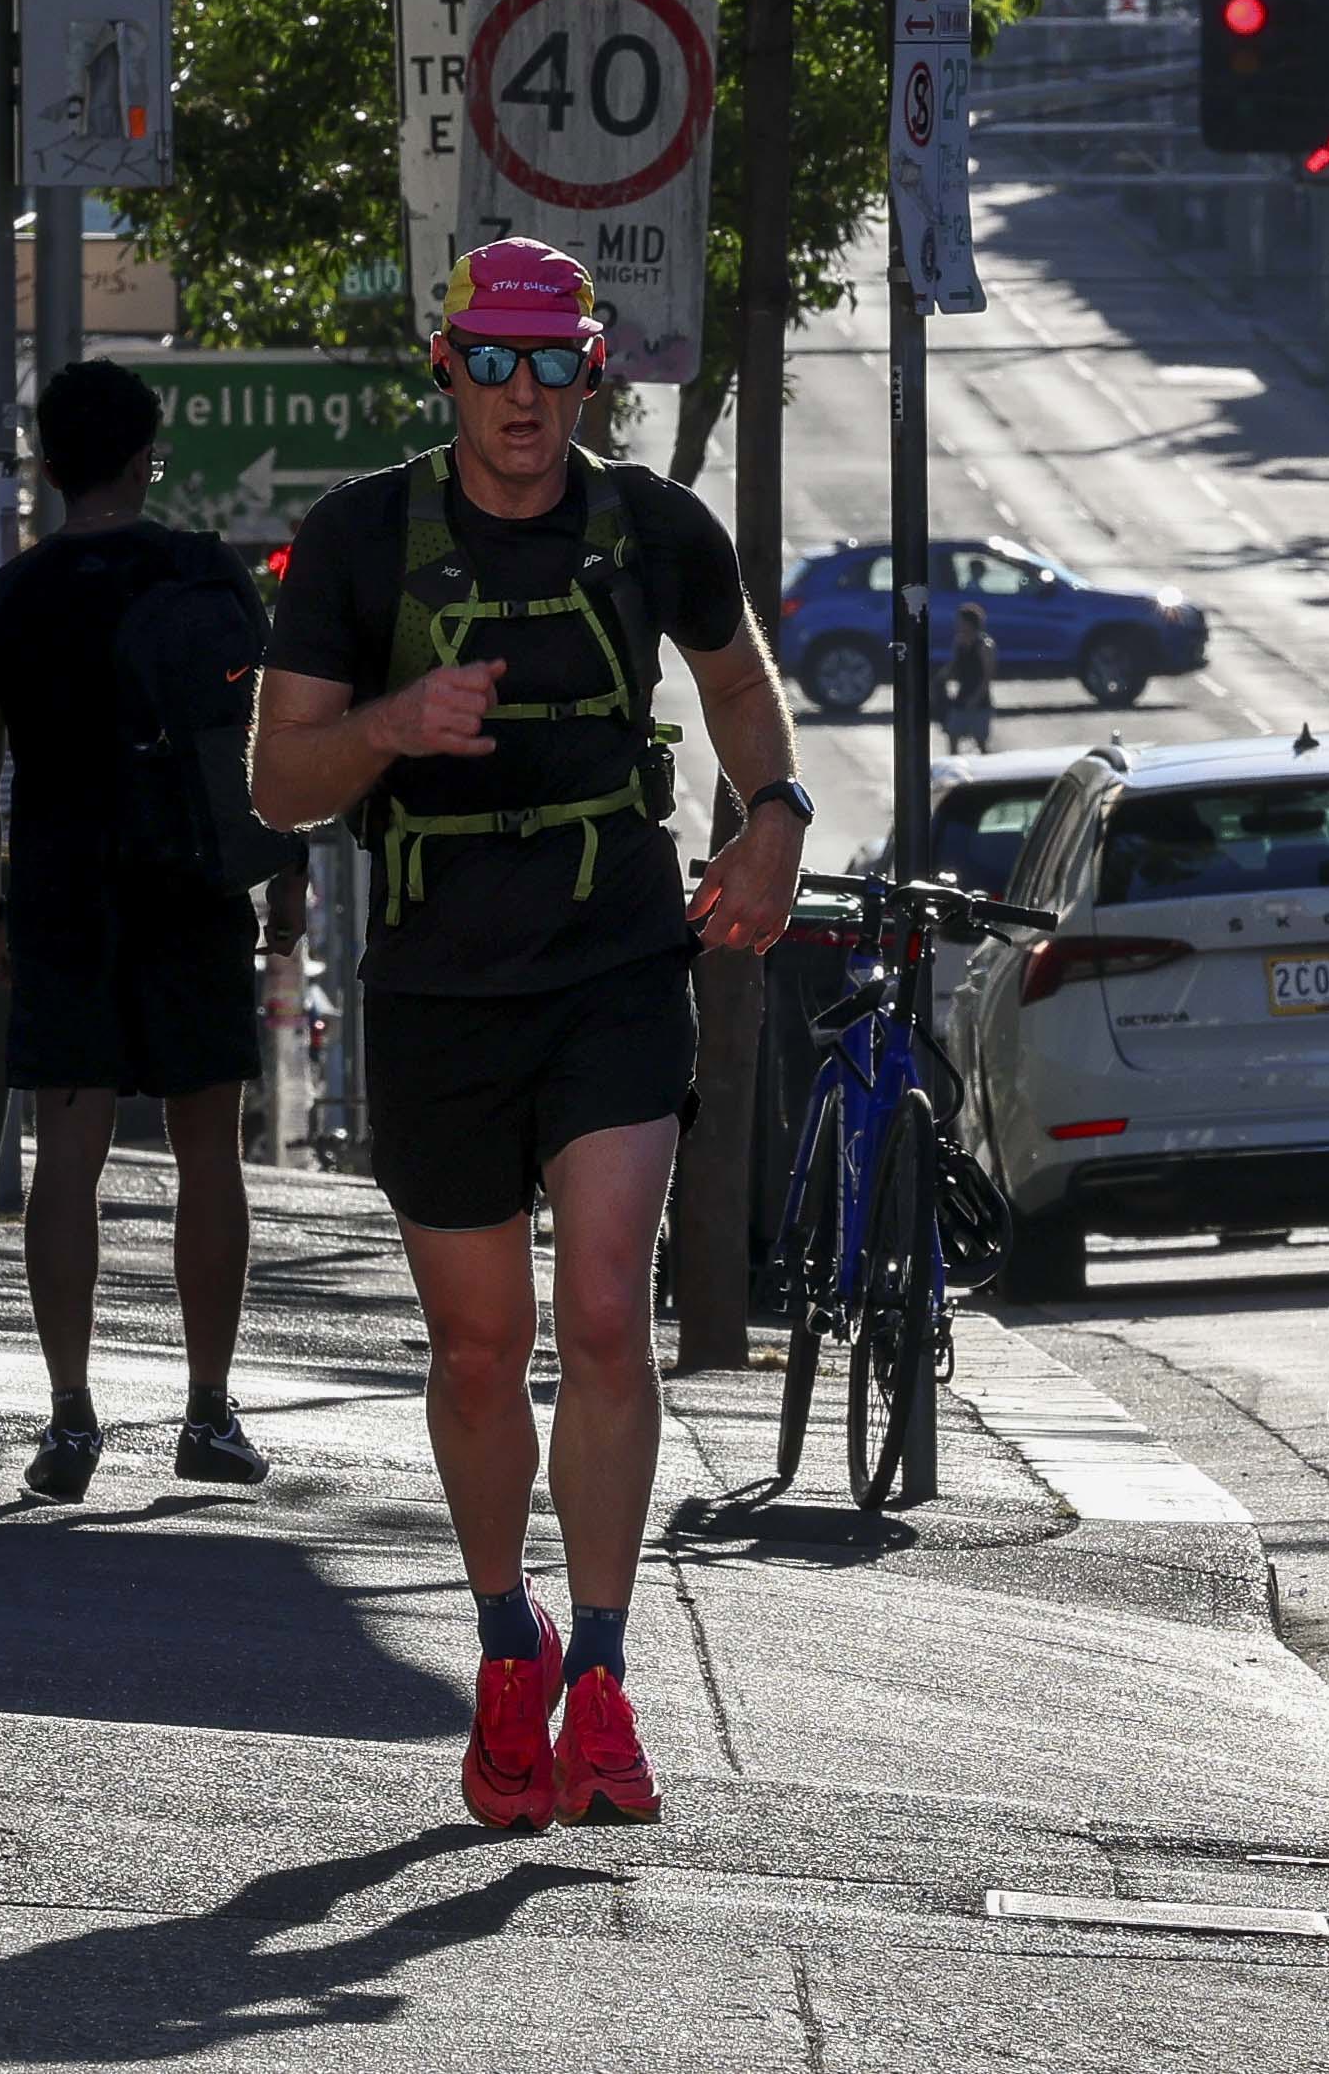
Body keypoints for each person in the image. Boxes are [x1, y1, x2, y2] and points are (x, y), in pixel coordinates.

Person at [252, 239, 808, 1833]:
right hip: (436, 994)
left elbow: (741, 693)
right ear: (446, 369)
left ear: (588, 374)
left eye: (549, 364)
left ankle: (610, 1673)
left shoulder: (649, 529)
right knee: (480, 1348)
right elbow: (276, 784)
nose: (520, 397)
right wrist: (389, 726)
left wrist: (768, 814)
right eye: (489, 365)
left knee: (608, 1317)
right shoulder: (360, 540)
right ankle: (510, 1638)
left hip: (615, 967)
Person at [0, 359, 296, 1506]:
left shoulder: (6, 602)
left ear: (46, 465)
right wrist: (281, 900)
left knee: (68, 1154)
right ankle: (208, 1410)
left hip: (64, 892)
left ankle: (69, 1419)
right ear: (147, 458)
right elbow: (272, 741)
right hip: (192, 889)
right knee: (209, 1148)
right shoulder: (206, 575)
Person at [941, 601, 997, 754]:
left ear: (970, 623)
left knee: (980, 741)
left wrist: (976, 697)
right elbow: (955, 665)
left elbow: (987, 675)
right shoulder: (958, 642)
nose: (958, 625)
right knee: (953, 734)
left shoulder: (985, 645)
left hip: (980, 698)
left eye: (961, 622)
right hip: (962, 694)